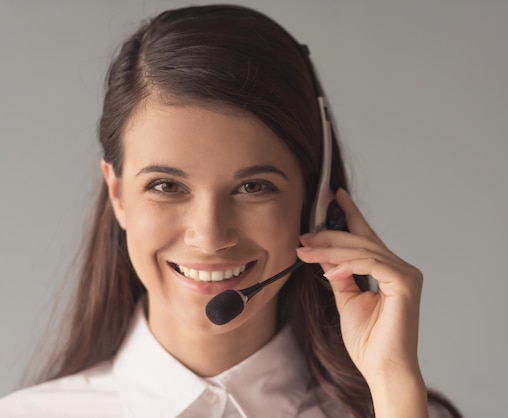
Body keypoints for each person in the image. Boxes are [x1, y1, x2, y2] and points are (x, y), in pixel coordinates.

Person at [0, 5, 461, 418]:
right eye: (166, 185)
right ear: (118, 195)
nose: (210, 234)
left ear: (315, 199)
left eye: (252, 187)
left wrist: (393, 383)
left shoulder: (399, 407)